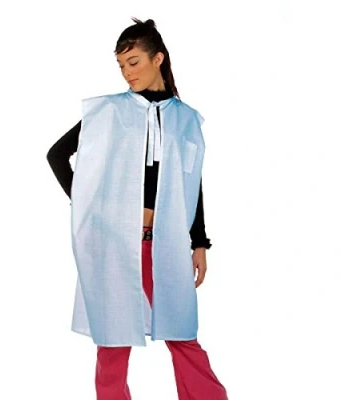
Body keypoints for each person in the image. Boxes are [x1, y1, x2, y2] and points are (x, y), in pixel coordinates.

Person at [47, 17, 228, 400]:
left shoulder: (186, 120)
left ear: (157, 58)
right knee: (113, 340)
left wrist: (199, 243)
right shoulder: (108, 112)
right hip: (115, 243)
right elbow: (57, 155)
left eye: (134, 62)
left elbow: (192, 185)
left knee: (182, 333)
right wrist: (88, 205)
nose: (127, 72)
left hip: (165, 244)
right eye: (121, 65)